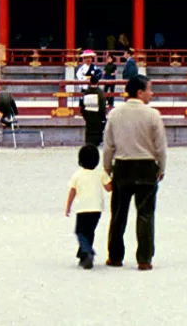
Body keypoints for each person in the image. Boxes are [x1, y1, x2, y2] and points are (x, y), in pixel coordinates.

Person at [103, 75, 167, 271]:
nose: (151, 93)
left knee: (118, 214)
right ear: (140, 92)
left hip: (122, 166)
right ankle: (144, 258)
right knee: (146, 214)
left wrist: (108, 169)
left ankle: (115, 256)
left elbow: (108, 146)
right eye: (149, 89)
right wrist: (161, 167)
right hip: (147, 166)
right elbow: (160, 147)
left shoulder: (115, 114)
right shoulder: (153, 115)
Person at [65, 144, 111, 270]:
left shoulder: (78, 175)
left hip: (82, 208)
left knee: (80, 231)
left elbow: (72, 192)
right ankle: (83, 256)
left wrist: (68, 207)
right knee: (89, 232)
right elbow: (109, 188)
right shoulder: (100, 174)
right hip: (97, 209)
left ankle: (87, 251)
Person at [79, 72, 107, 147]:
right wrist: (103, 116)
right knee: (97, 132)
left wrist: (84, 114)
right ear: (97, 82)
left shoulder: (86, 92)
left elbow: (82, 104)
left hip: (88, 115)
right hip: (97, 115)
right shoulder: (100, 93)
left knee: (89, 131)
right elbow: (102, 106)